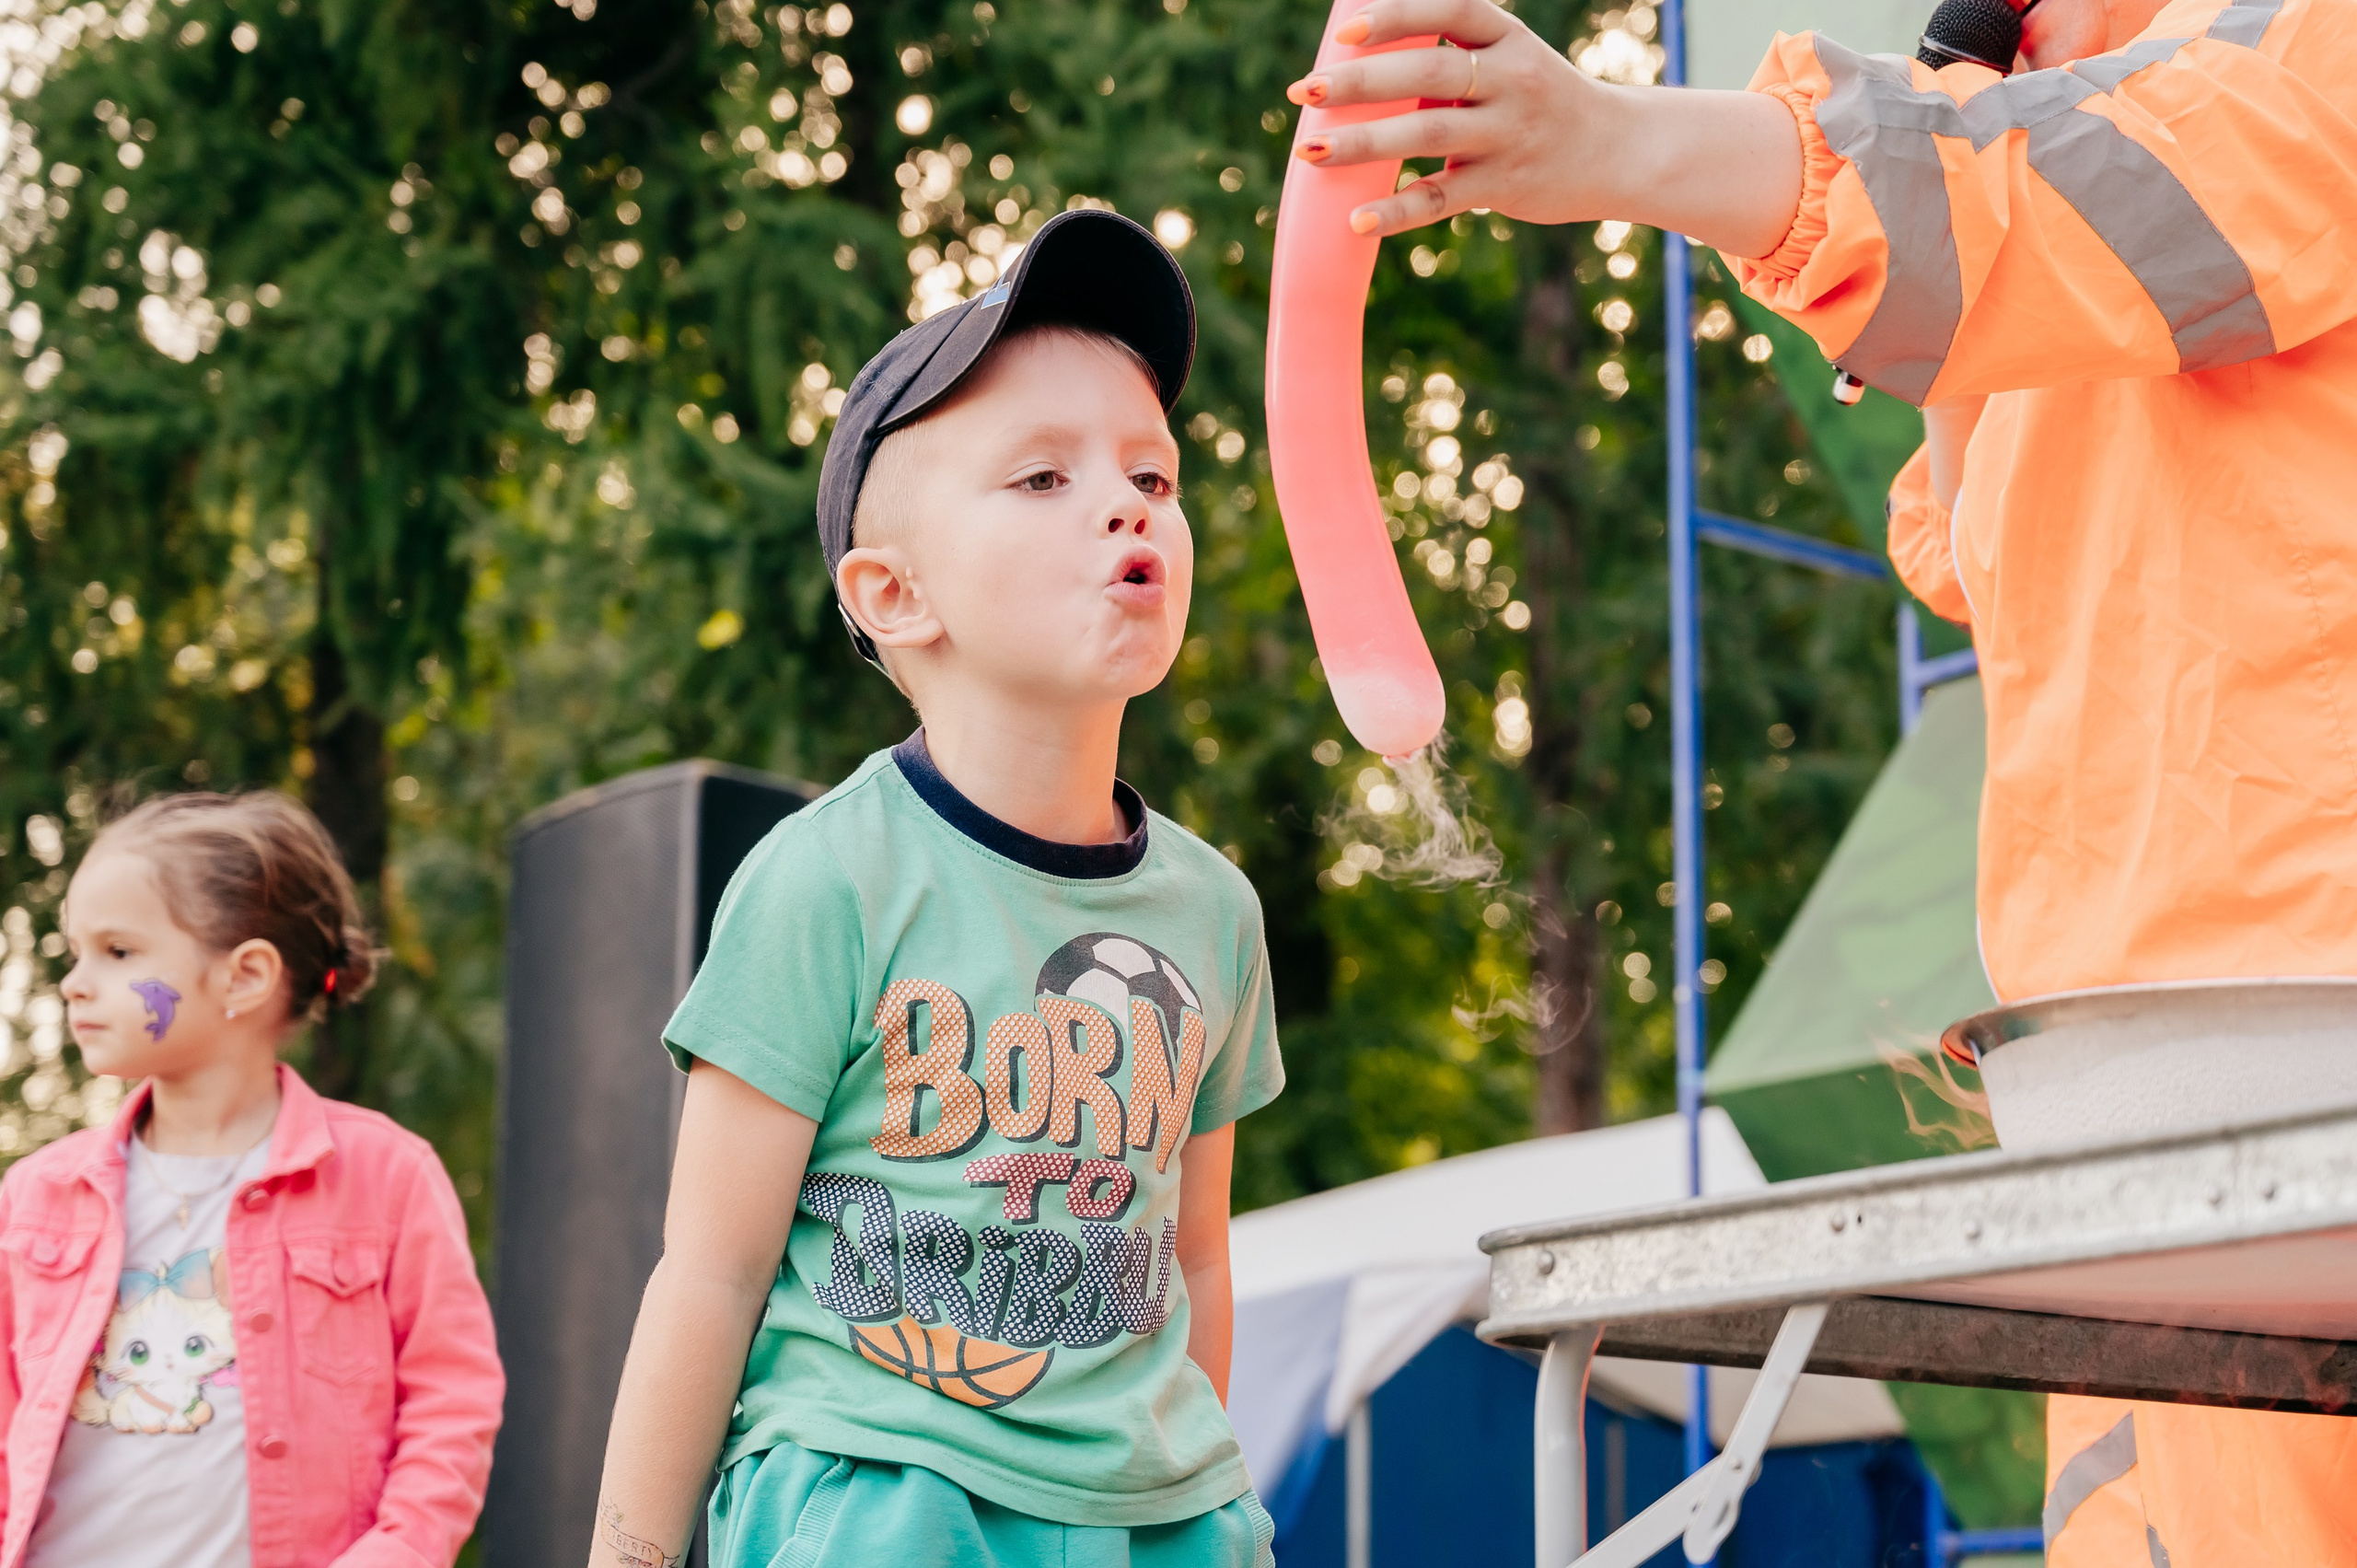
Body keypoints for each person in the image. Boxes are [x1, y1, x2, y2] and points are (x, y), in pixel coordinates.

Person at [1291, 0, 2357, 1562]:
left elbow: (2065, 195)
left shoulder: (2302, 46)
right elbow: (1962, 521)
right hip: (2141, 1134)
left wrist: (1618, 140)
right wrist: (1956, 141)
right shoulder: (2056, 150)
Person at [586, 208, 1286, 1568]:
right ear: (895, 592)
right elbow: (712, 1272)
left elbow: (1196, 1258)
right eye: (1042, 476)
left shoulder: (1216, 913)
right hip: (879, 1493)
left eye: (1155, 471)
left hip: (1162, 1516)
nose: (1129, 500)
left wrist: (1194, 1482)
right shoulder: (824, 880)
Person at [4, 790, 504, 1567]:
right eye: (77, 951)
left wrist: (394, 1554)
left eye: (119, 951)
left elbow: (452, 1404)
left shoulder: (388, 1177)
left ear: (244, 978)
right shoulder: (37, 1196)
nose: (75, 981)